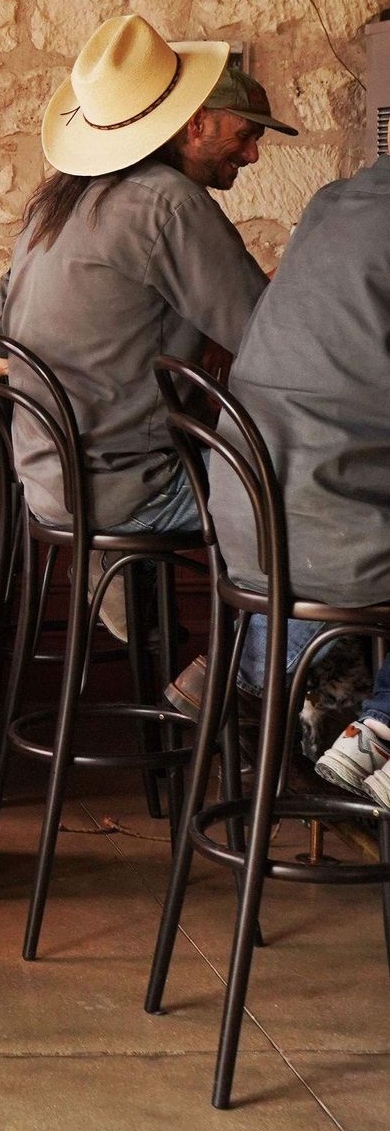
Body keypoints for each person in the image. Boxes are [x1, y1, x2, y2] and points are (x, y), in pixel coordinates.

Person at [0, 15, 294, 560]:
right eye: (246, 135)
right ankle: (252, 625)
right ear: (195, 124)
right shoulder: (167, 202)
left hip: (48, 477)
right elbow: (267, 341)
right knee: (314, 497)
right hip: (131, 490)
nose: (252, 155)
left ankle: (125, 602)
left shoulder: (58, 203)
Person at [198, 158, 390, 807]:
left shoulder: (330, 202)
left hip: (246, 525)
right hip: (319, 539)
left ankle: (254, 684)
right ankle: (380, 730)